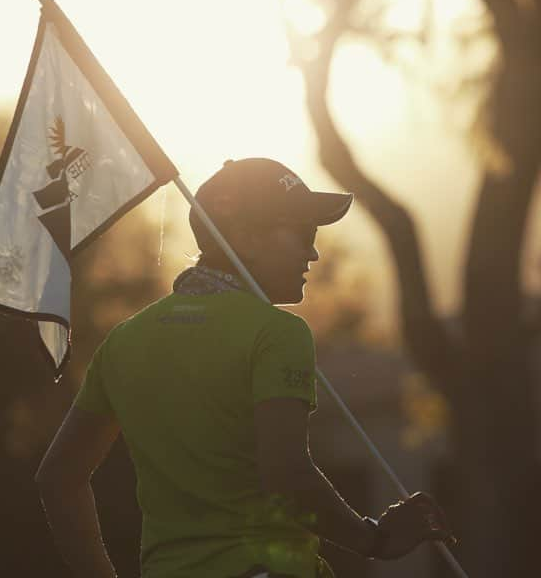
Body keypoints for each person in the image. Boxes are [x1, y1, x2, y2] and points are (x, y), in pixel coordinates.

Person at [35, 158, 454, 578]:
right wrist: (374, 538)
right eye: (303, 233)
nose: (313, 252)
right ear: (246, 237)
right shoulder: (278, 333)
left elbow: (59, 477)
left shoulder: (124, 340)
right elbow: (286, 474)